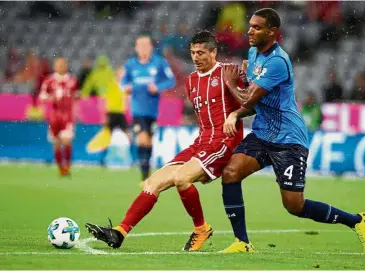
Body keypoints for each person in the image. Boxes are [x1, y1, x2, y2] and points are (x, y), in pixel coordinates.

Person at [219, 8, 365, 256]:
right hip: (262, 134)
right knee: (230, 172)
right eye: (250, 25)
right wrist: (237, 111)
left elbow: (248, 99)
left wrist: (230, 83)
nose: (249, 31)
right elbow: (254, 103)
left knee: (294, 206)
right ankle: (242, 242)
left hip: (289, 140)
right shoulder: (252, 53)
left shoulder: (278, 62)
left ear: (272, 32)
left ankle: (357, 221)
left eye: (256, 27)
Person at [85, 30, 246, 252]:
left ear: (214, 52)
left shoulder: (229, 72)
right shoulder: (191, 81)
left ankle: (201, 228)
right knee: (153, 183)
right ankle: (120, 232)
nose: (196, 57)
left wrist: (234, 115)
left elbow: (252, 102)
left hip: (223, 142)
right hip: (201, 142)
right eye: (192, 53)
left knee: (181, 177)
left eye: (201, 53)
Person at [121, 35, 176, 183]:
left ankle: (146, 173)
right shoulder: (130, 64)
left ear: (151, 47)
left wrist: (158, 87)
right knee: (142, 139)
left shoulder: (159, 62)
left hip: (152, 110)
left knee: (148, 142)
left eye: (146, 45)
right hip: (137, 109)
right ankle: (144, 176)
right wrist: (125, 87)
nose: (144, 48)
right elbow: (123, 81)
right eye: (141, 45)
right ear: (136, 48)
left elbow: (171, 80)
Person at [39, 58, 79, 176]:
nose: (61, 66)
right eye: (58, 64)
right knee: (56, 143)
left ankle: (67, 167)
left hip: (68, 116)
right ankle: (60, 168)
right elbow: (42, 96)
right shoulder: (49, 80)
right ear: (55, 66)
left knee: (67, 141)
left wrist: (77, 97)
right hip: (54, 117)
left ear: (66, 66)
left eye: (63, 64)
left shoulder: (72, 80)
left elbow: (76, 94)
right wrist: (50, 98)